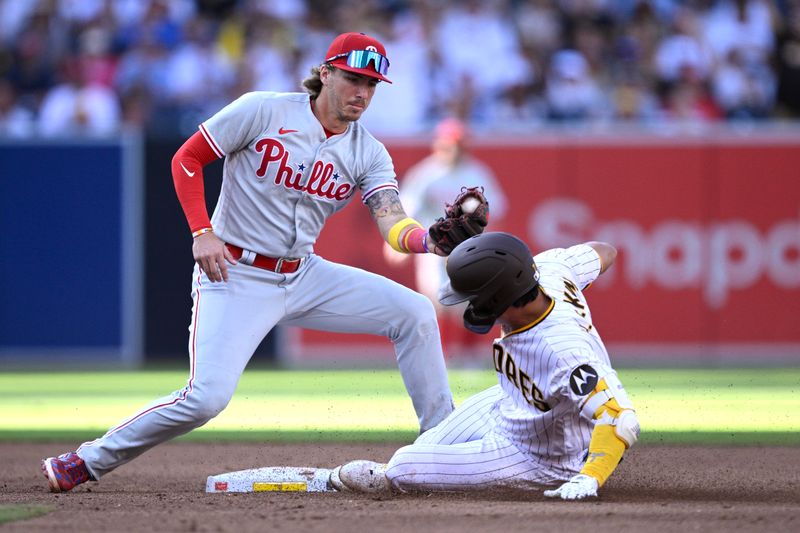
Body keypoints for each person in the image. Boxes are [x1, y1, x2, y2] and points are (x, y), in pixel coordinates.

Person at [41, 32, 456, 493]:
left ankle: (441, 448)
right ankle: (85, 460)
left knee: (415, 312)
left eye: (372, 84)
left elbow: (391, 219)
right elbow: (187, 159)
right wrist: (202, 232)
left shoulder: (368, 151)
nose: (362, 92)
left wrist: (428, 240)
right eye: (353, 78)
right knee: (205, 400)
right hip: (233, 273)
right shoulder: (264, 109)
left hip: (303, 272)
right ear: (325, 74)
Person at [329, 232, 640, 500]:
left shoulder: (562, 351)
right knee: (428, 443)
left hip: (541, 454)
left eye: (473, 296)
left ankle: (570, 467)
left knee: (401, 468)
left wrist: (591, 475)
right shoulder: (549, 271)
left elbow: (620, 419)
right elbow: (605, 250)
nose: (468, 303)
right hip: (511, 402)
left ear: (498, 297)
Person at [387, 118, 507, 357]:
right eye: (451, 144)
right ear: (439, 145)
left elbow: (496, 212)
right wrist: (394, 245)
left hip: (470, 246)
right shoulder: (427, 175)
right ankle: (439, 356)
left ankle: (469, 358)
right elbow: (406, 212)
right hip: (435, 247)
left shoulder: (477, 173)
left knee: (471, 301)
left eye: (459, 144)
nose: (455, 150)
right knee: (435, 300)